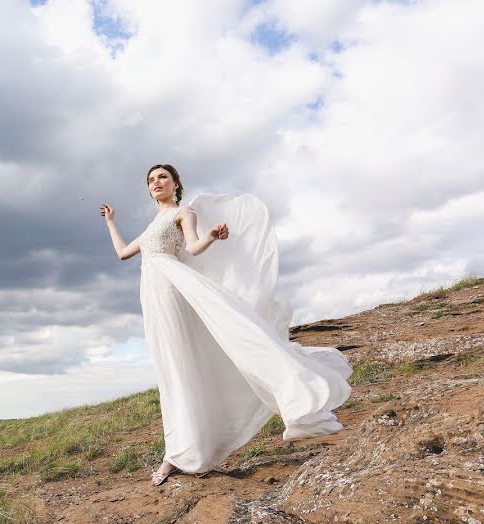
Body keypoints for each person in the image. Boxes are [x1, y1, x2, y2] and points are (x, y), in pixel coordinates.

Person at [100, 164, 352, 486]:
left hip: (173, 289)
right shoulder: (152, 226)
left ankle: (179, 453)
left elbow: (191, 247)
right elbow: (123, 253)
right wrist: (111, 222)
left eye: (162, 177)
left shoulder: (183, 213)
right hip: (152, 299)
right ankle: (183, 450)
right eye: (150, 180)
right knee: (170, 371)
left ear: (176, 183)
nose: (156, 183)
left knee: (183, 366)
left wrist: (211, 236)